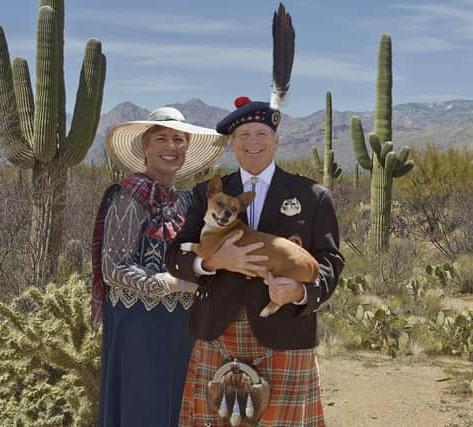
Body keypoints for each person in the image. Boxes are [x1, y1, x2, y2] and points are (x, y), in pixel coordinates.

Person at [166, 97, 345, 426]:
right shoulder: (206, 193)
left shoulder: (313, 196)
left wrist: (300, 292)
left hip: (286, 331)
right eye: (244, 135)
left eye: (261, 133)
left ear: (276, 139)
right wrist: (215, 261)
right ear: (231, 143)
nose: (253, 143)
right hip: (218, 332)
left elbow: (331, 262)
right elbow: (175, 256)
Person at [92, 107, 227, 426]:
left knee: (180, 410)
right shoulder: (128, 196)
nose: (171, 146)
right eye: (162, 138)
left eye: (179, 139)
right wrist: (169, 284)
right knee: (144, 408)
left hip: (182, 325)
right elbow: (113, 267)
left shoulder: (188, 203)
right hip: (139, 324)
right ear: (146, 146)